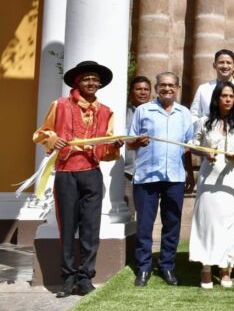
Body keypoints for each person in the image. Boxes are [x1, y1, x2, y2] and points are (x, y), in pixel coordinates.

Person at [33, 61, 123, 298]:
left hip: (92, 173)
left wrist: (114, 146)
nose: (91, 83)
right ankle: (68, 278)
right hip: (66, 173)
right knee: (67, 226)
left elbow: (105, 152)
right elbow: (40, 134)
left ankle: (85, 278)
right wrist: (54, 140)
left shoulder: (106, 111)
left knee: (91, 228)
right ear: (77, 82)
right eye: (86, 79)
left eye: (95, 79)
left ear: (100, 84)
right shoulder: (60, 105)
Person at [128, 72, 195, 287]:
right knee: (145, 225)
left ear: (177, 88)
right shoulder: (143, 110)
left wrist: (189, 173)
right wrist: (138, 141)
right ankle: (143, 267)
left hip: (175, 176)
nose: (167, 89)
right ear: (156, 88)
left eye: (171, 85)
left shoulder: (184, 113)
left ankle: (167, 266)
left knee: (172, 223)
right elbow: (129, 142)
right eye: (163, 85)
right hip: (147, 176)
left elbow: (188, 147)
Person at [189, 82, 234, 289]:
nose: (228, 99)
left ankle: (225, 268)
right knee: (207, 222)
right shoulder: (204, 122)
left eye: (231, 96)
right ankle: (206, 268)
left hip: (230, 176)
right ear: (217, 98)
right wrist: (205, 152)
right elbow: (192, 146)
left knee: (228, 223)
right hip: (208, 177)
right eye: (224, 96)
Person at [190, 49, 234, 120]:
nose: (225, 66)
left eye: (228, 63)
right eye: (221, 62)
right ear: (214, 65)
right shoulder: (203, 89)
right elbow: (194, 115)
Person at [124, 75, 152, 214]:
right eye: (139, 89)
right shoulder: (122, 112)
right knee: (127, 212)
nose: (142, 92)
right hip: (127, 171)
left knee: (144, 213)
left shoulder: (154, 113)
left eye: (146, 89)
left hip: (149, 171)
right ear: (131, 92)